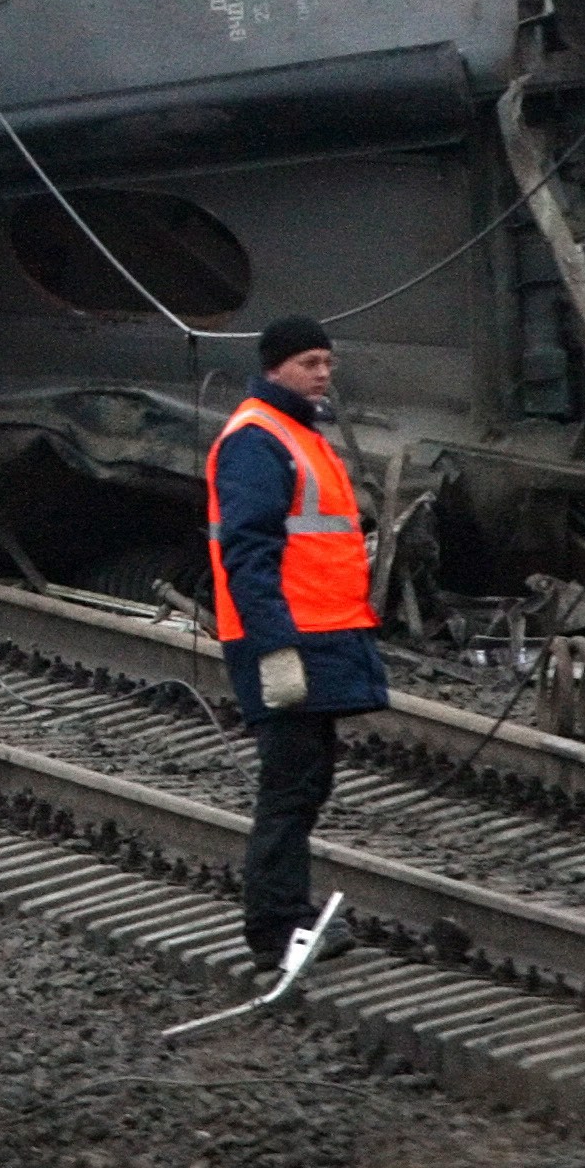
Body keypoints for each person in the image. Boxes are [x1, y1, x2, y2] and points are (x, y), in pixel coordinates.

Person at [207, 314, 387, 977]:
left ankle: (289, 919)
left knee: (305, 785)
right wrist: (275, 649)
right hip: (291, 644)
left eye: (329, 364)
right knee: (289, 790)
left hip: (319, 638)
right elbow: (248, 555)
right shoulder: (259, 439)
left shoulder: (294, 435)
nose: (323, 375)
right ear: (276, 366)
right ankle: (276, 930)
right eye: (311, 363)